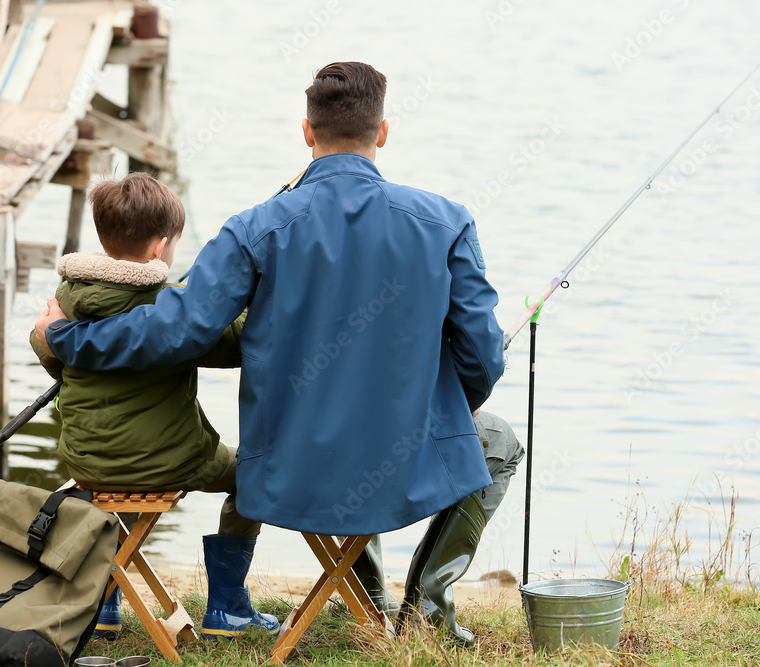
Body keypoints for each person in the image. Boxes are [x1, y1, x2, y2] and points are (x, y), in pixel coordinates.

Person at [34, 60, 504, 631]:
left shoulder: (253, 228)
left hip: (285, 468)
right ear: (382, 132)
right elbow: (481, 354)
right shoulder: (447, 221)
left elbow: (176, 329)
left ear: (307, 132)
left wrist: (69, 337)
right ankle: (426, 609)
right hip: (404, 465)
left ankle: (368, 590)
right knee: (496, 439)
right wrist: (454, 402)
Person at [29, 172, 279, 641]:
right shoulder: (176, 308)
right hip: (171, 461)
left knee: (116, 477)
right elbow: (237, 344)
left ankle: (104, 604)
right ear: (161, 247)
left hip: (86, 461)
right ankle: (228, 608)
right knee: (252, 475)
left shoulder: (67, 297)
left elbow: (48, 351)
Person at [351, 410, 524, 646]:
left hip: (326, 467)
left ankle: (369, 594)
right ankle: (426, 611)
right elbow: (476, 385)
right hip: (400, 455)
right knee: (504, 440)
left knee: (354, 441)